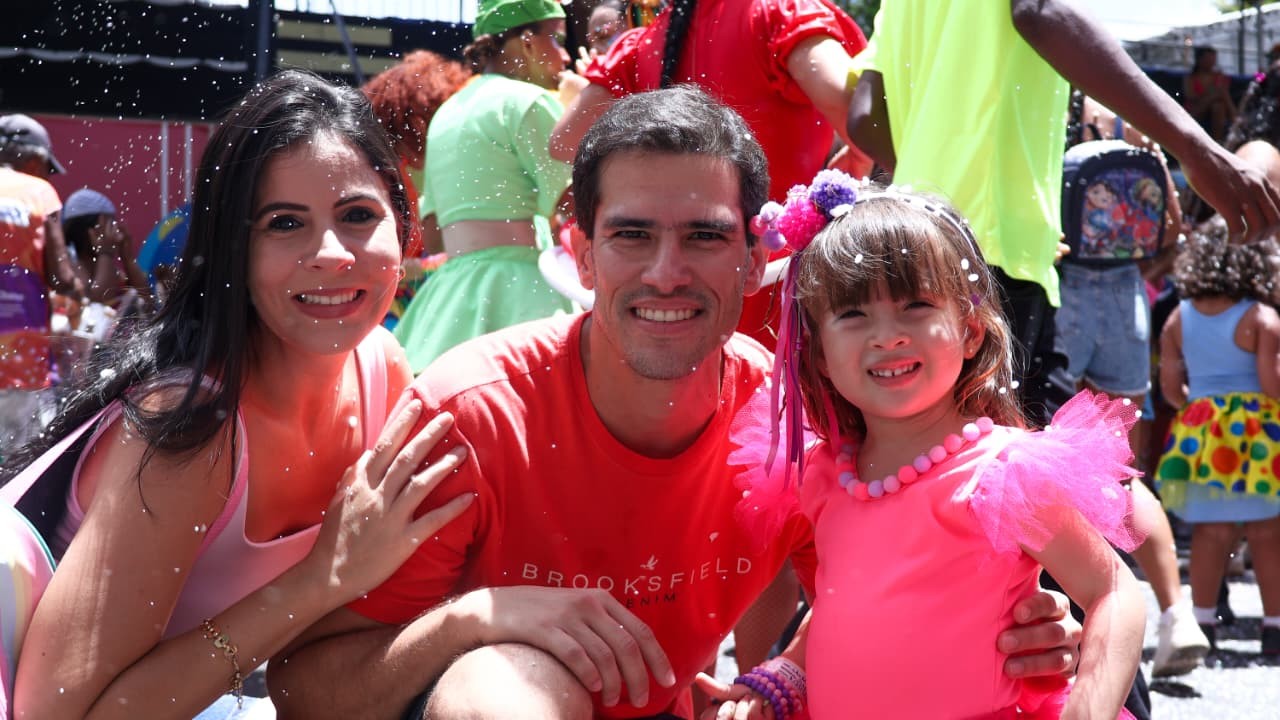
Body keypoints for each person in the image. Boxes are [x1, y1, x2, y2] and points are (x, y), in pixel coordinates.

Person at [271, 86, 1086, 720]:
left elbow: (870, 586)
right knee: (501, 683)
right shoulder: (470, 416)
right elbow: (304, 690)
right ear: (580, 254)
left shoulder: (795, 417)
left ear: (755, 259)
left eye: (703, 236)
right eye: (631, 237)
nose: (667, 272)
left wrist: (994, 616)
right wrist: (479, 618)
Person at [1, 69, 474, 719]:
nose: (331, 253)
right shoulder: (194, 428)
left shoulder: (381, 371)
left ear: (404, 227)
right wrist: (317, 581)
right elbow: (58, 714)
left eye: (358, 214)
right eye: (285, 223)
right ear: (234, 248)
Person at [700, 176, 1147, 718]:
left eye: (916, 305)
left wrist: (1088, 708)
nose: (887, 336)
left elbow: (1113, 588)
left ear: (971, 330)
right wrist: (791, 670)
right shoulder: (824, 473)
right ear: (816, 352)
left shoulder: (1002, 474)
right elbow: (855, 599)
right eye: (853, 314)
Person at [847, 0, 1280, 426]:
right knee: (1031, 478)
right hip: (997, 261)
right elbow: (1040, 10)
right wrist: (1195, 148)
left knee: (946, 471)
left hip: (922, 257)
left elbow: (864, 117)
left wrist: (939, 189)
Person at [548, 0, 872, 348]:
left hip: (681, 287)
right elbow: (862, 115)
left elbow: (565, 142)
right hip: (779, 283)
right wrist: (856, 164)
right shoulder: (778, 12)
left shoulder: (644, 44)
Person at [1056, 94, 1211, 678]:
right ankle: (1175, 612)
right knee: (1121, 465)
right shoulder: (1126, 124)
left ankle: (1088, 595)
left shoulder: (1052, 109)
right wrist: (1133, 270)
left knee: (1050, 449)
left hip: (1061, 292)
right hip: (1125, 299)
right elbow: (1169, 231)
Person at [392, 0, 576, 374]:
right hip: (528, 291)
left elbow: (434, 237)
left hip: (450, 298)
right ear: (526, 41)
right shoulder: (532, 102)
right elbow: (576, 204)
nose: (566, 56)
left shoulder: (446, 114)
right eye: (556, 40)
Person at [1154, 232, 1280, 657]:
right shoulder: (1262, 318)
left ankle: (1204, 623)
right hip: (1257, 437)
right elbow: (1271, 385)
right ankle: (1274, 628)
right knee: (1267, 532)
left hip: (1204, 435)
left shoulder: (1178, 317)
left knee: (1210, 532)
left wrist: (1203, 405)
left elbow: (1171, 389)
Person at [0, 114, 81, 456]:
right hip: (21, 363)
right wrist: (78, 294)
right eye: (47, 166)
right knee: (20, 467)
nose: (48, 175)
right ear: (32, 157)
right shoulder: (40, 193)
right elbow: (61, 275)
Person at [60, 188, 151, 310]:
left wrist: (128, 259)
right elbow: (96, 303)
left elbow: (147, 302)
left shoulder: (109, 269)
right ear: (89, 230)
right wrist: (105, 252)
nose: (114, 233)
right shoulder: (69, 260)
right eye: (109, 225)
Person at [1184, 46, 1236, 144]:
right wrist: (1209, 94)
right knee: (1217, 95)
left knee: (1218, 105)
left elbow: (1224, 95)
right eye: (1208, 59)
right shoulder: (1191, 78)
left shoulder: (1219, 76)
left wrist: (1214, 94)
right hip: (1196, 110)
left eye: (1213, 59)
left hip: (1215, 110)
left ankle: (1217, 141)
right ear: (1199, 60)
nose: (1211, 62)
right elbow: (1190, 96)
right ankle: (1235, 117)